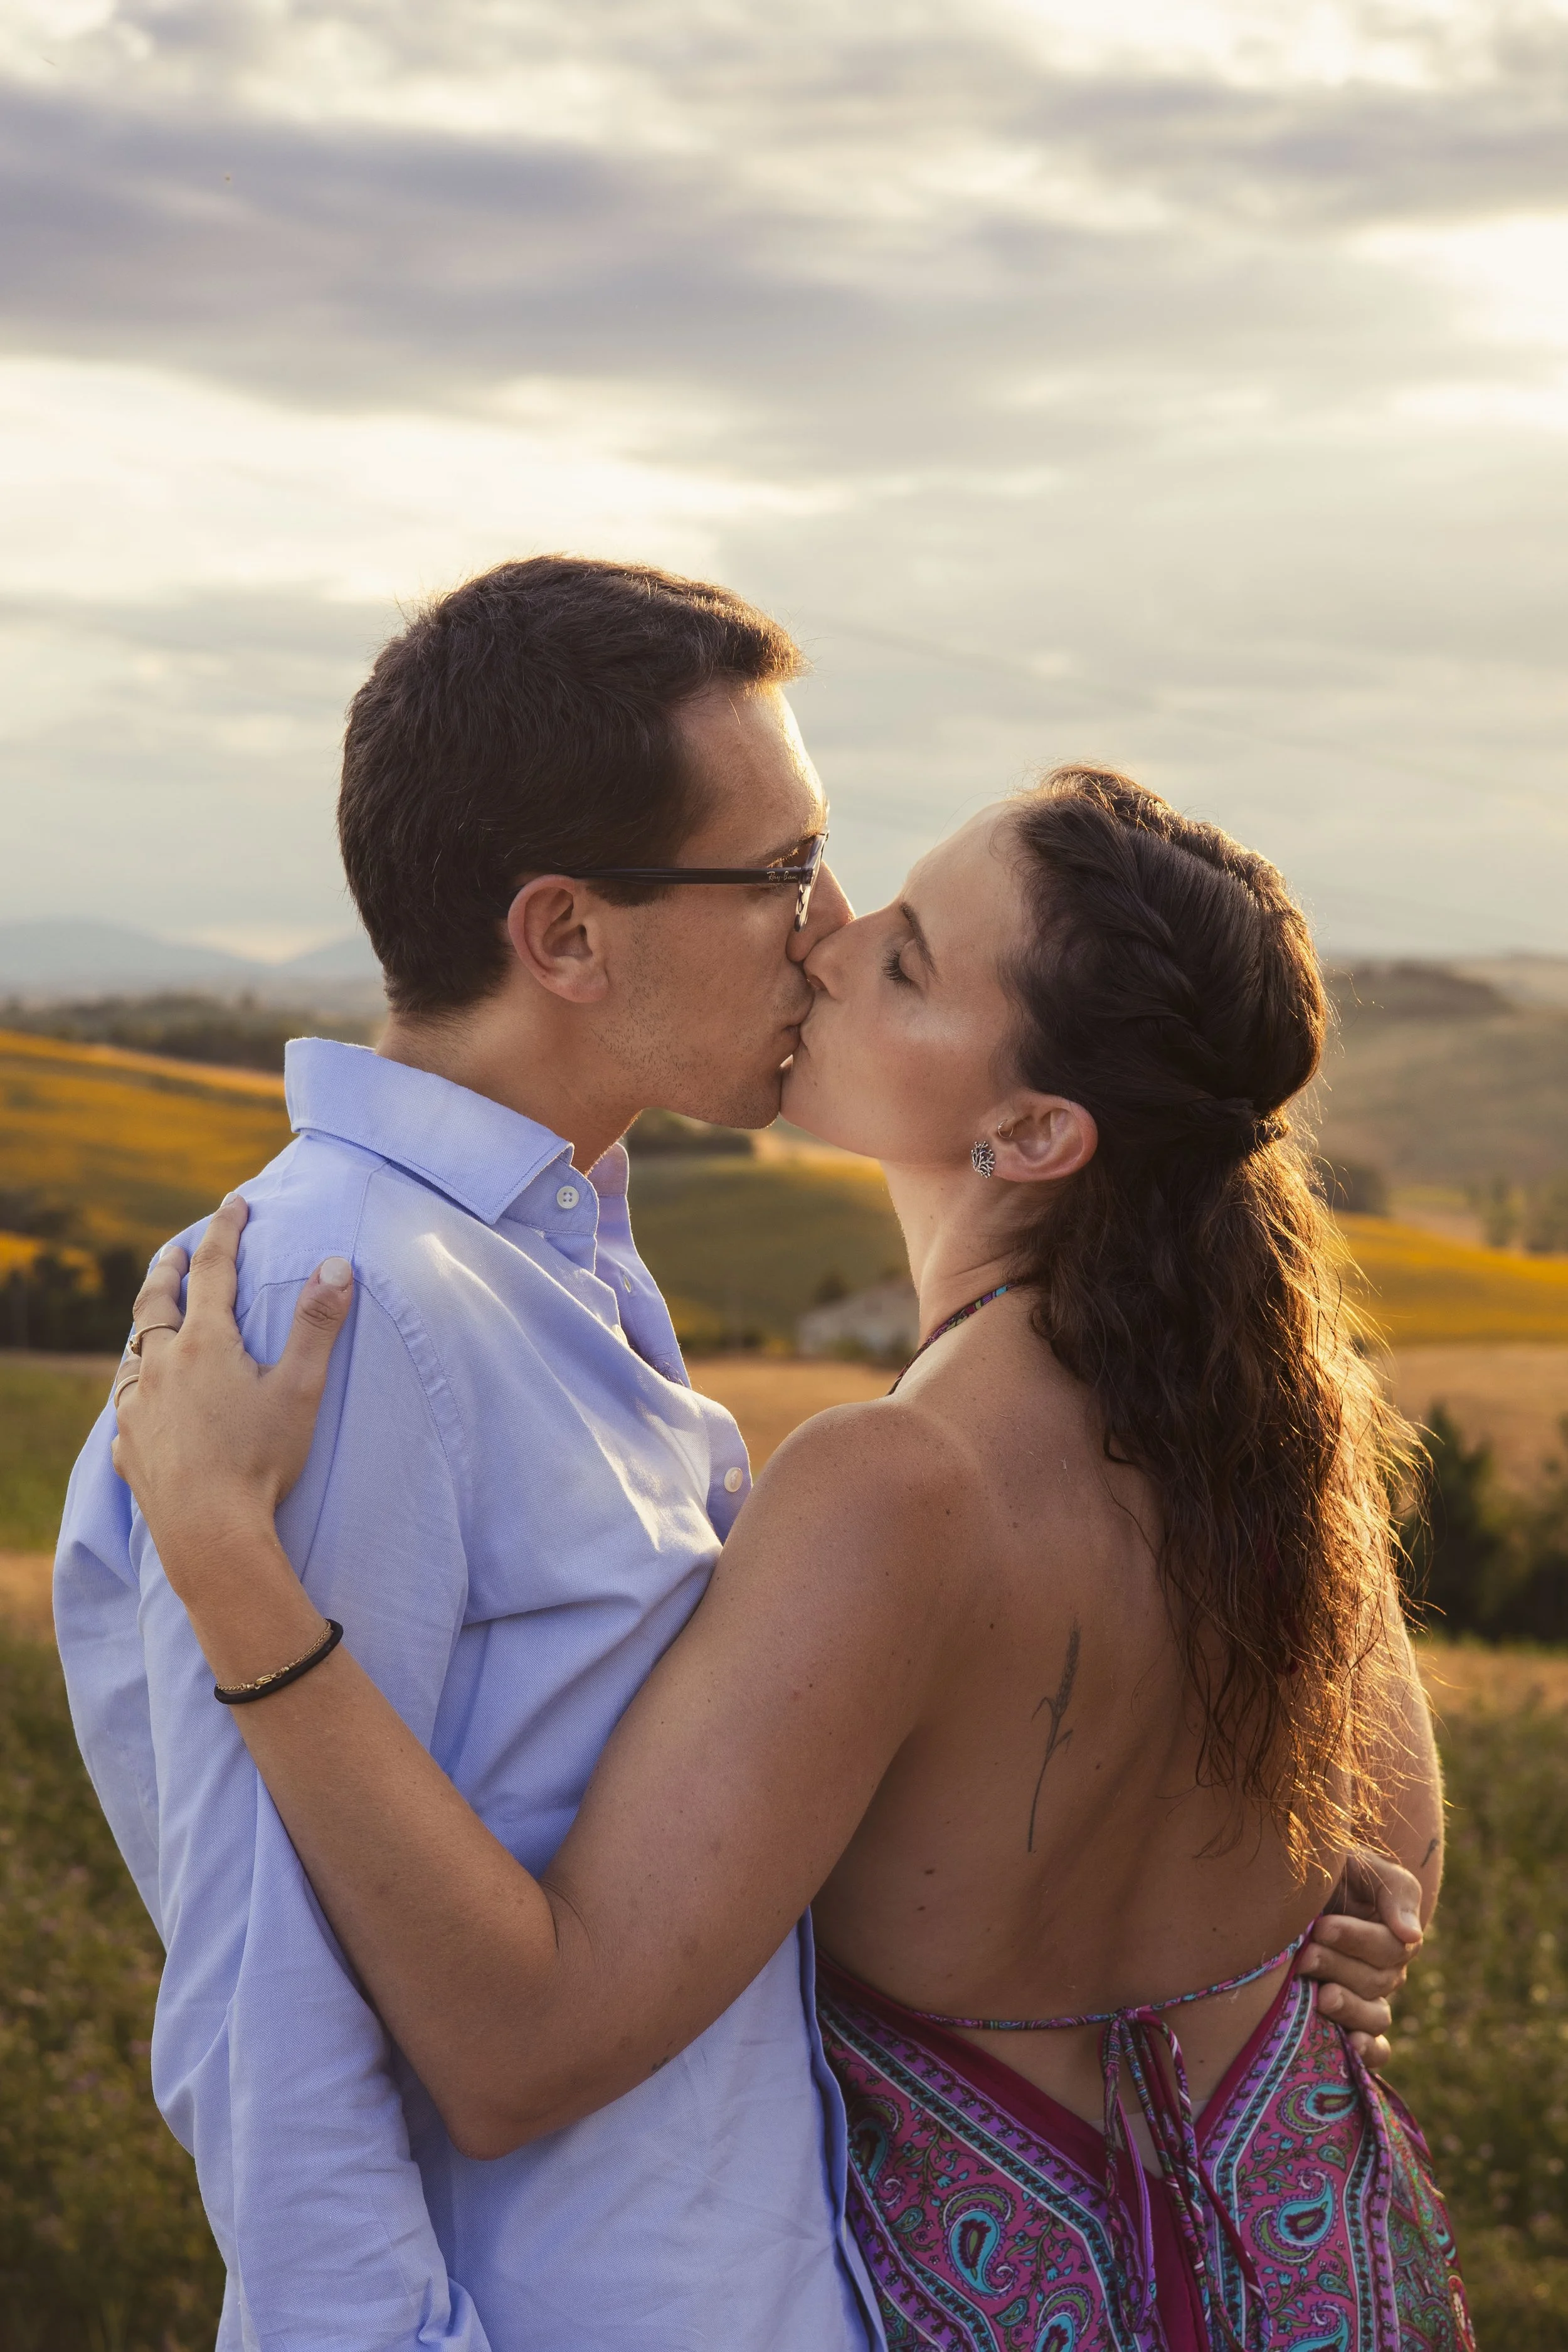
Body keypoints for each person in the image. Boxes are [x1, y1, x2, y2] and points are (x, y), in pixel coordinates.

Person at [103, 761, 1467, 2350]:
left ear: (1029, 1131)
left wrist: (230, 1570)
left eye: (902, 957)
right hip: (1331, 2276)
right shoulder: (1276, 1422)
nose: (823, 930)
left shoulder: (898, 1488)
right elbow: (1392, 1858)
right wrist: (1347, 1935)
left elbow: (519, 2053)